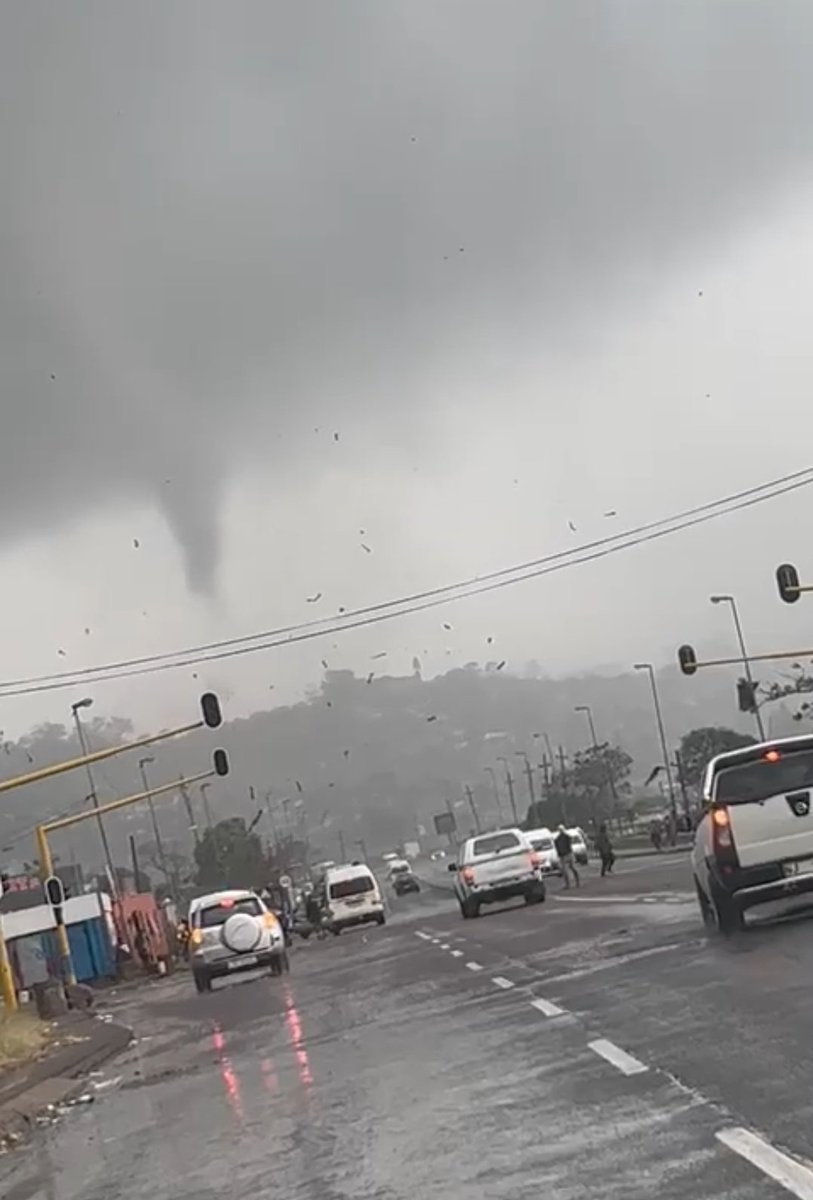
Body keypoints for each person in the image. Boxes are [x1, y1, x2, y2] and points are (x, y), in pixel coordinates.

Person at [554, 825, 580, 889]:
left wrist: (559, 855)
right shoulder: (562, 838)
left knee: (568, 869)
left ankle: (571, 883)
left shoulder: (558, 839)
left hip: (566, 855)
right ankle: (574, 882)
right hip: (567, 854)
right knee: (570, 869)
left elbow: (558, 848)